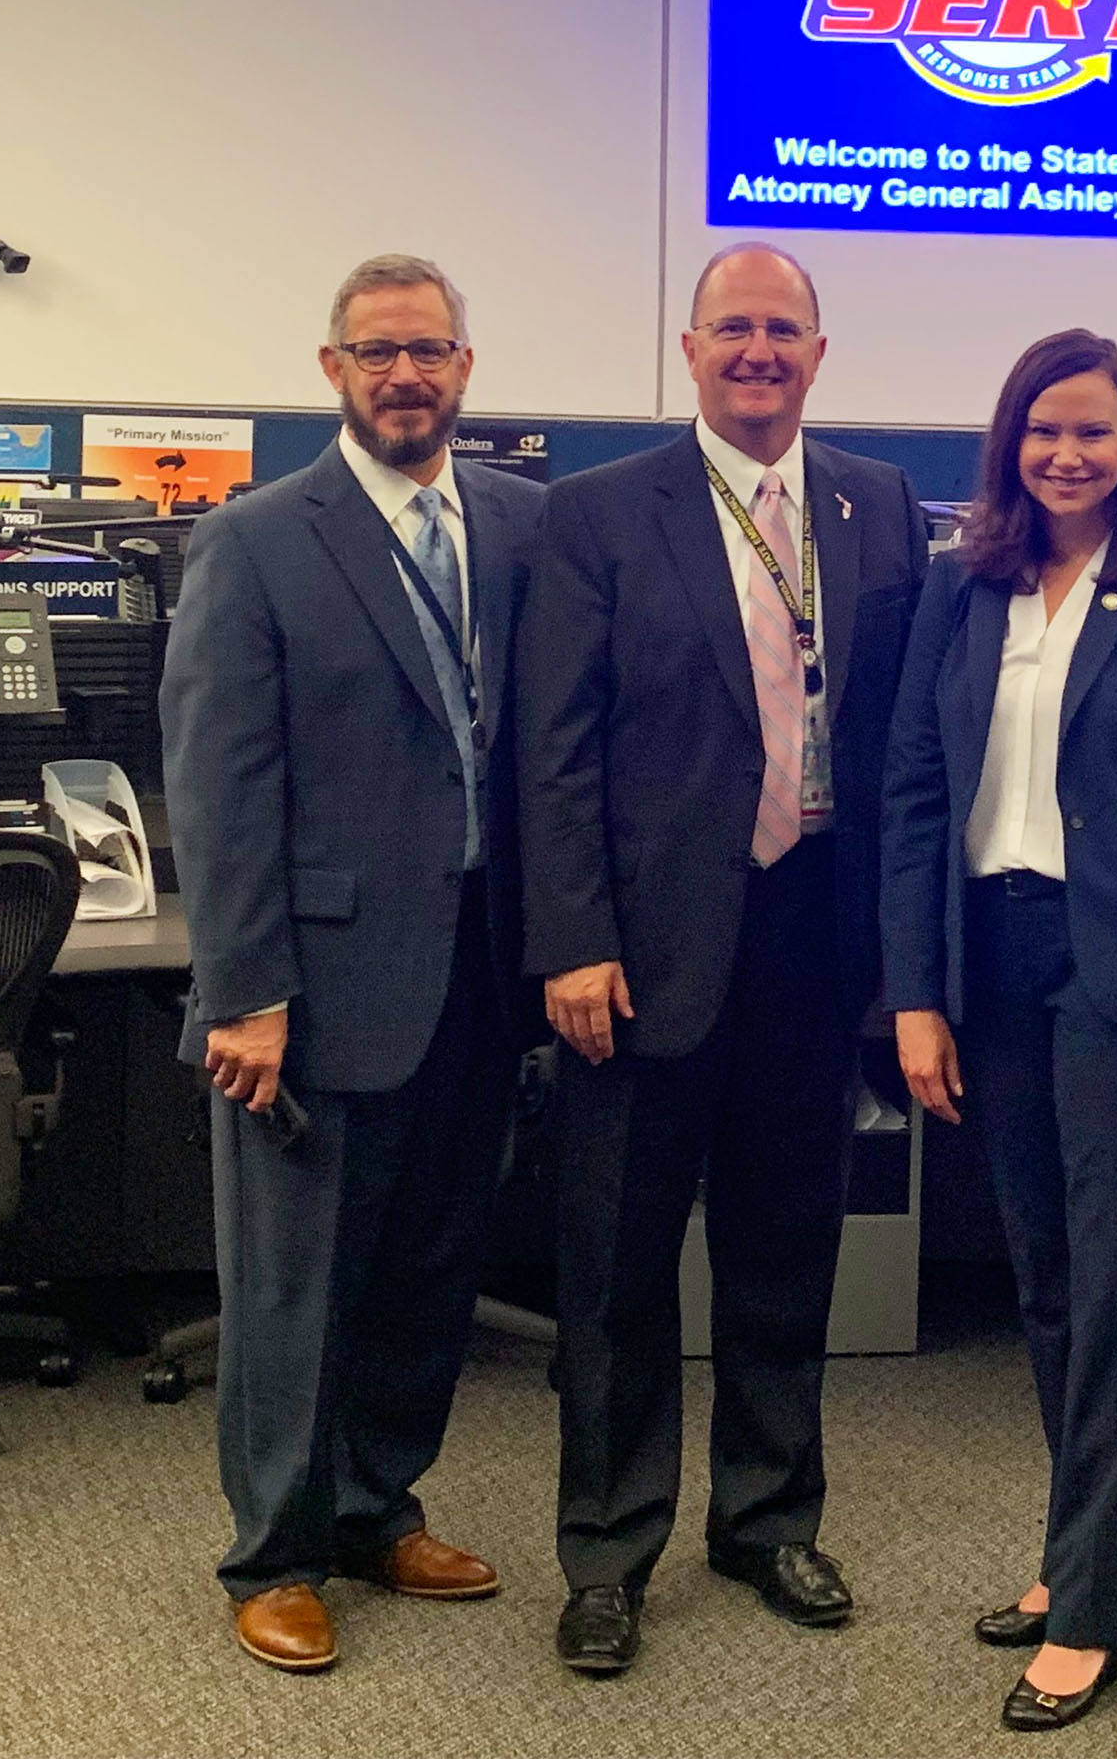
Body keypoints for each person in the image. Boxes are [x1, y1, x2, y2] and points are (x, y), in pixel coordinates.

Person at [518, 242, 928, 1676]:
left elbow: (894, 739)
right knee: (617, 1266)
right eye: (733, 328)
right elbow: (552, 751)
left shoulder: (874, 504)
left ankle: (766, 1521)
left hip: (811, 941)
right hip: (640, 956)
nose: (758, 350)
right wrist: (570, 940)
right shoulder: (594, 513)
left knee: (783, 1249)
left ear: (820, 352)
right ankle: (608, 1552)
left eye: (783, 330)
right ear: (687, 349)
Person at [160, 254, 544, 1672]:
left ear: (462, 368)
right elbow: (217, 786)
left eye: (430, 350)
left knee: (430, 1266)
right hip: (311, 988)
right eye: (376, 351)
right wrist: (242, 992)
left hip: (476, 973)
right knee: (291, 1285)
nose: (405, 375)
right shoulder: (259, 538)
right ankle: (274, 1551)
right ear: (332, 370)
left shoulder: (518, 524)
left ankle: (381, 1506)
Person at [884, 330, 1117, 1733]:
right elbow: (918, 790)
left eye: (1093, 432)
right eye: (1043, 430)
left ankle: (1102, 1603)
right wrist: (915, 991)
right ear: (1008, 443)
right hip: (992, 956)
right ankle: (1072, 1550)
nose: (1066, 454)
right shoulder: (960, 586)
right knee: (1042, 1275)